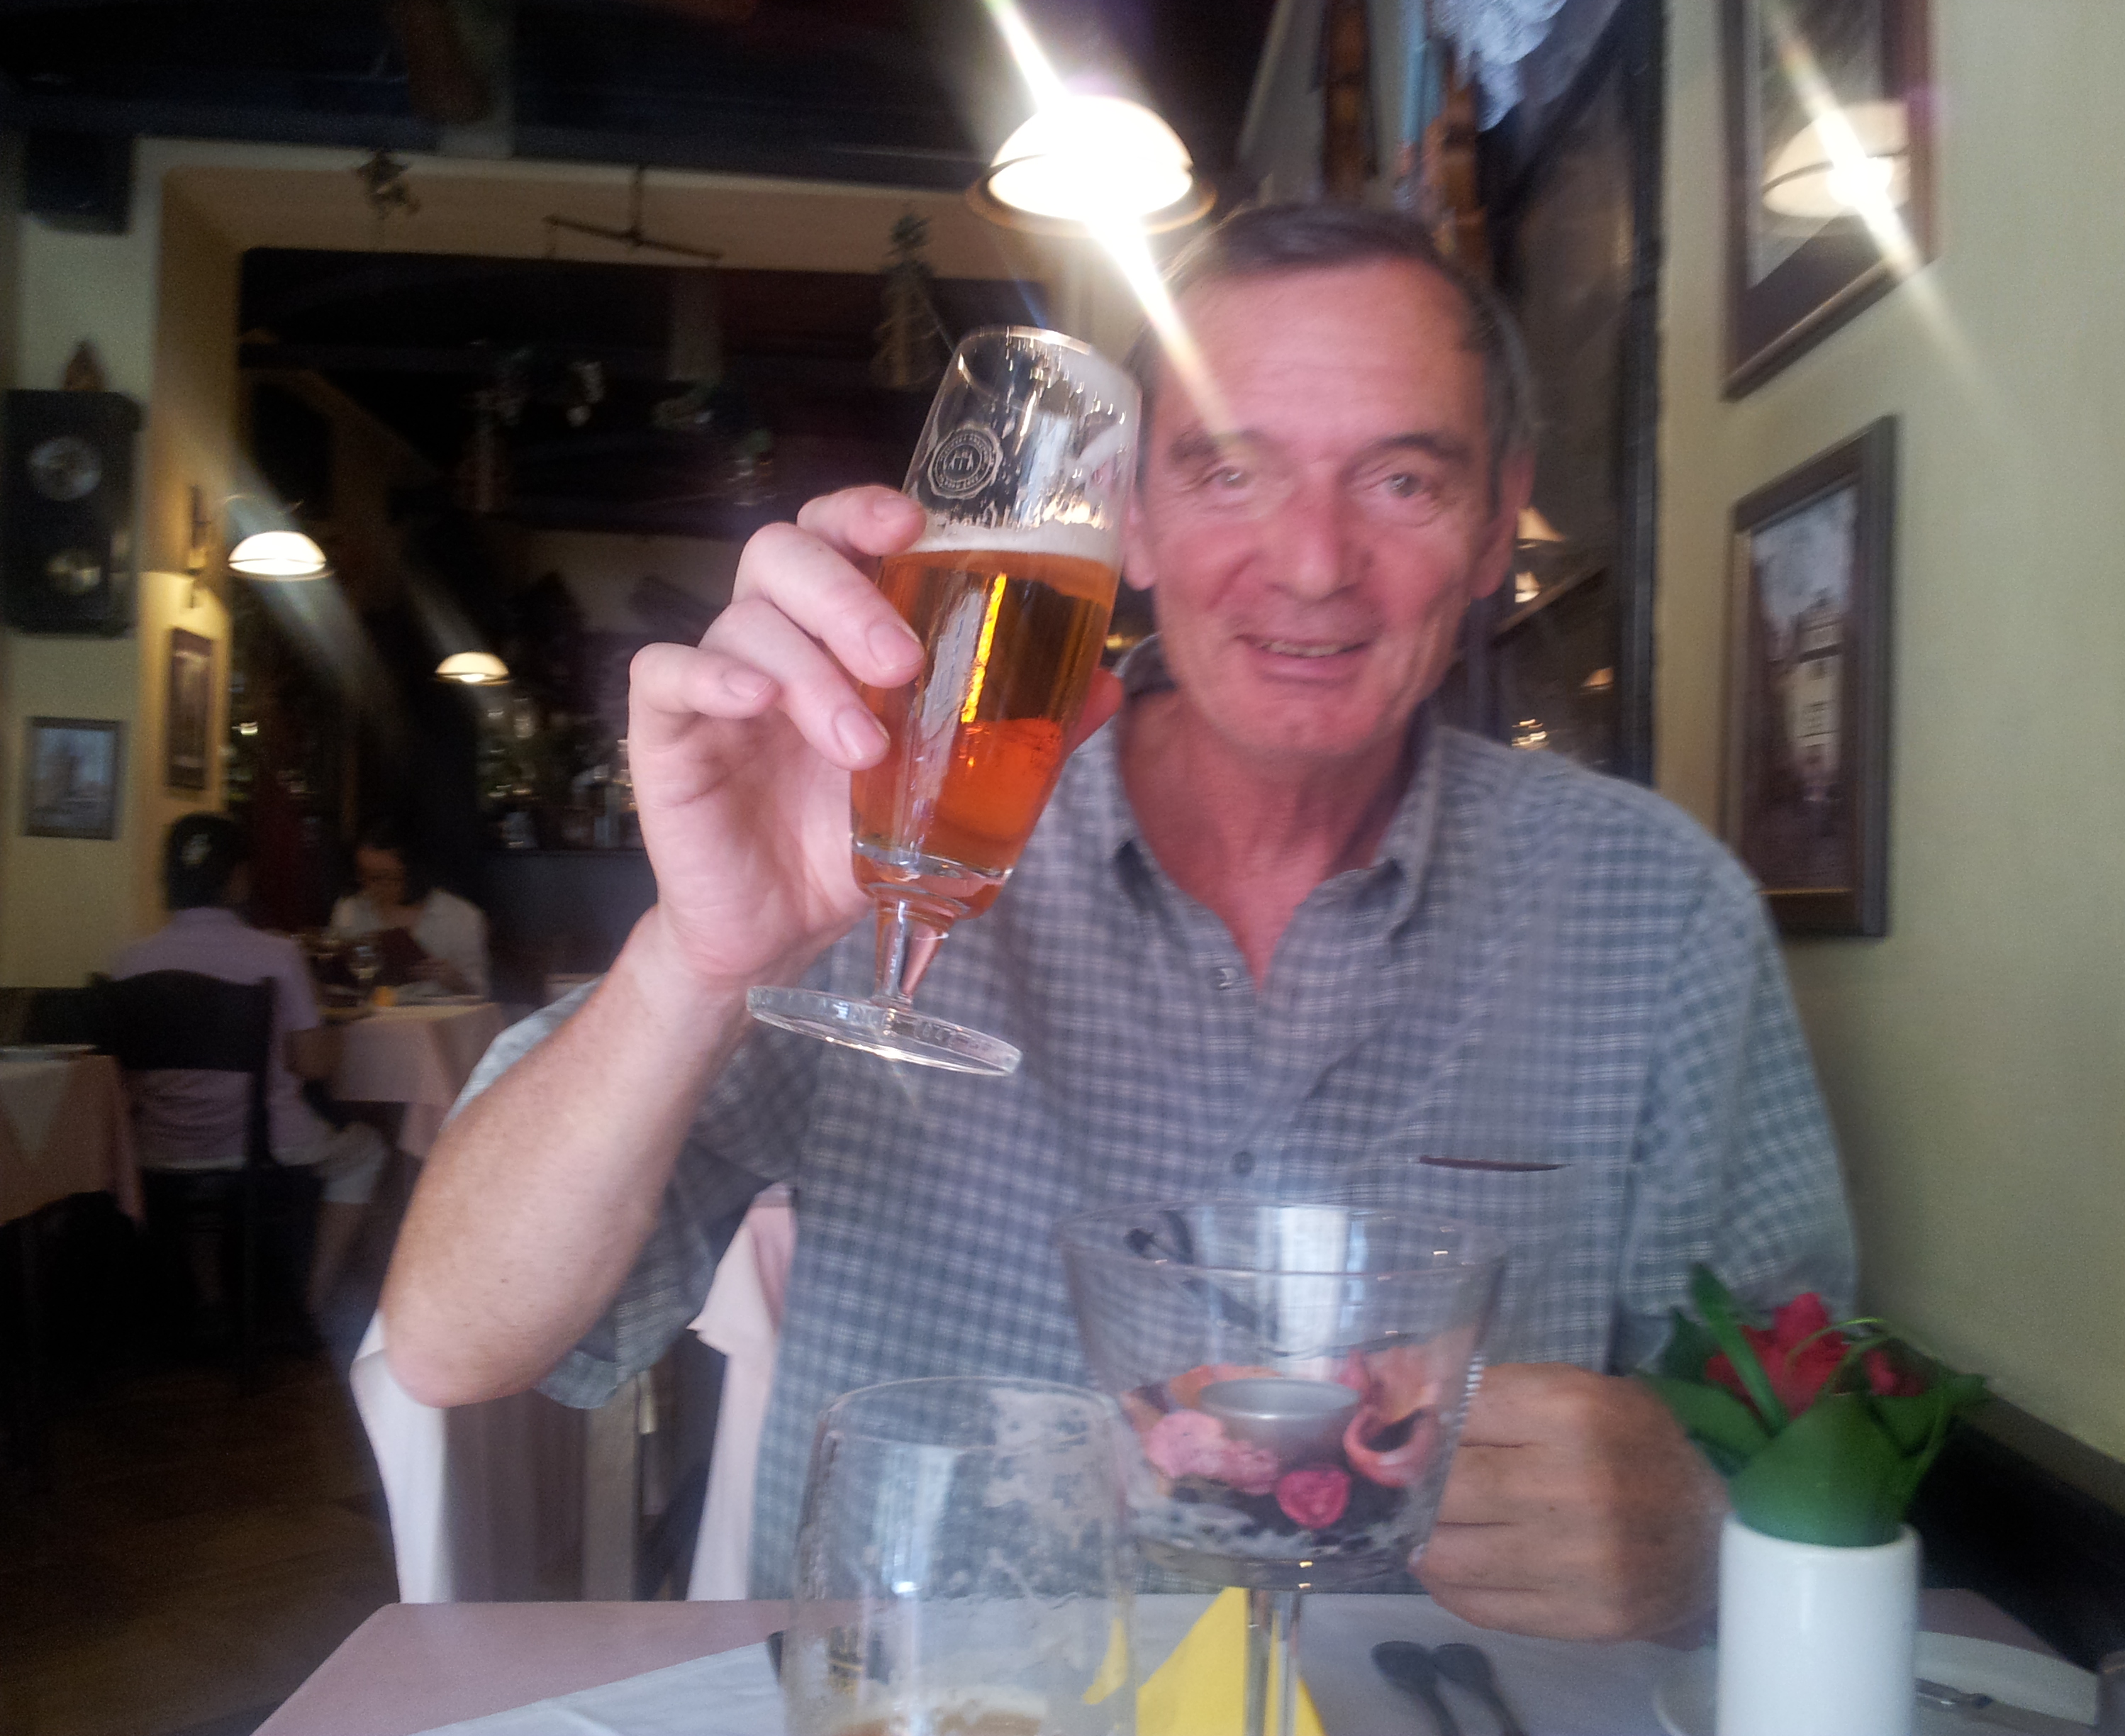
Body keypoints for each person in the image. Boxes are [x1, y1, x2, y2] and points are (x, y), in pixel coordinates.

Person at [384, 204, 1853, 1640]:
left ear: (1490, 524)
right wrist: (701, 960)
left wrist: (1710, 1525)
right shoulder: (884, 849)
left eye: (1402, 480)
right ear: (1129, 516)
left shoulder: (1657, 909)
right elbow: (456, 1338)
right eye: (1229, 470)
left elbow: (1807, 1410)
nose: (1312, 561)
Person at [113, 813, 388, 1315]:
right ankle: (311, 1303)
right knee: (366, 1152)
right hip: (262, 1146)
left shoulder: (129, 963)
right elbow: (312, 1065)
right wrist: (339, 1032)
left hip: (156, 1148)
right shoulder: (276, 954)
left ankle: (212, 1298)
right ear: (239, 877)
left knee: (198, 1186)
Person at [328, 820, 490, 998]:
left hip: (438, 1010)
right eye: (363, 876)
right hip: (371, 1010)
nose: (371, 887)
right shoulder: (350, 909)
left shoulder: (460, 916)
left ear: (412, 873)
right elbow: (335, 984)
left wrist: (454, 980)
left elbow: (481, 994)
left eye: (383, 877)